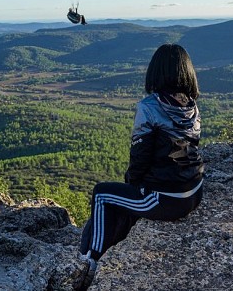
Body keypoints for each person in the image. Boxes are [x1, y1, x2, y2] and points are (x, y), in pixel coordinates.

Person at [75, 43, 204, 290]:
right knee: (124, 197)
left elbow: (140, 156)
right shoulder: (191, 105)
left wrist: (132, 182)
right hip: (194, 192)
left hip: (167, 199)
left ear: (155, 71)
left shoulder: (150, 106)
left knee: (102, 194)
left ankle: (90, 259)